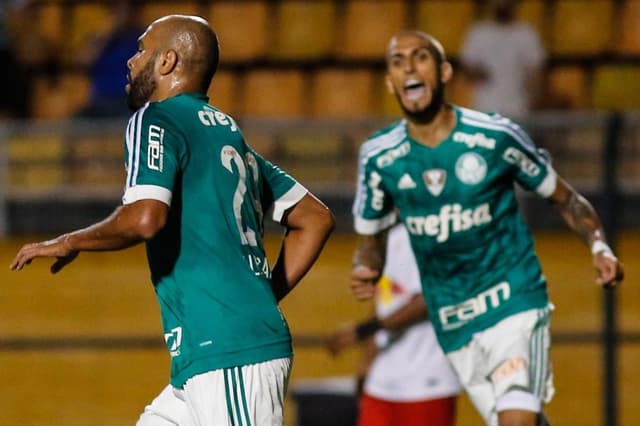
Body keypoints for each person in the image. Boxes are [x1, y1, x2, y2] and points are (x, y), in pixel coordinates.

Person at [11, 14, 335, 426]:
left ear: (166, 62)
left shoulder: (157, 118)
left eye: (141, 50)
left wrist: (71, 240)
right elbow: (314, 217)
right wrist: (261, 297)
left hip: (227, 355)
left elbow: (146, 218)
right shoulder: (227, 135)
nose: (130, 61)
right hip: (206, 358)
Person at [350, 30, 624, 426]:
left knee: (516, 418)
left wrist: (599, 246)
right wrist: (366, 267)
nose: (409, 66)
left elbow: (565, 198)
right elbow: (370, 241)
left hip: (513, 301)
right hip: (454, 321)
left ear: (444, 72)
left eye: (421, 56)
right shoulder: (380, 157)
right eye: (398, 61)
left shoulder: (494, 136)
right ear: (390, 82)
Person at [327, 223, 461, 426]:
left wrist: (362, 331)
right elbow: (384, 303)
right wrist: (365, 364)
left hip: (428, 382)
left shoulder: (440, 236)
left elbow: (428, 299)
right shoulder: (390, 238)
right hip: (381, 383)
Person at [459, 0, 545, 118]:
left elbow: (535, 75)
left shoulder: (527, 34)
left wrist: (532, 103)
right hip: (484, 109)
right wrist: (477, 72)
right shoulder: (478, 33)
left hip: (518, 111)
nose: (502, 3)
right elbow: (466, 68)